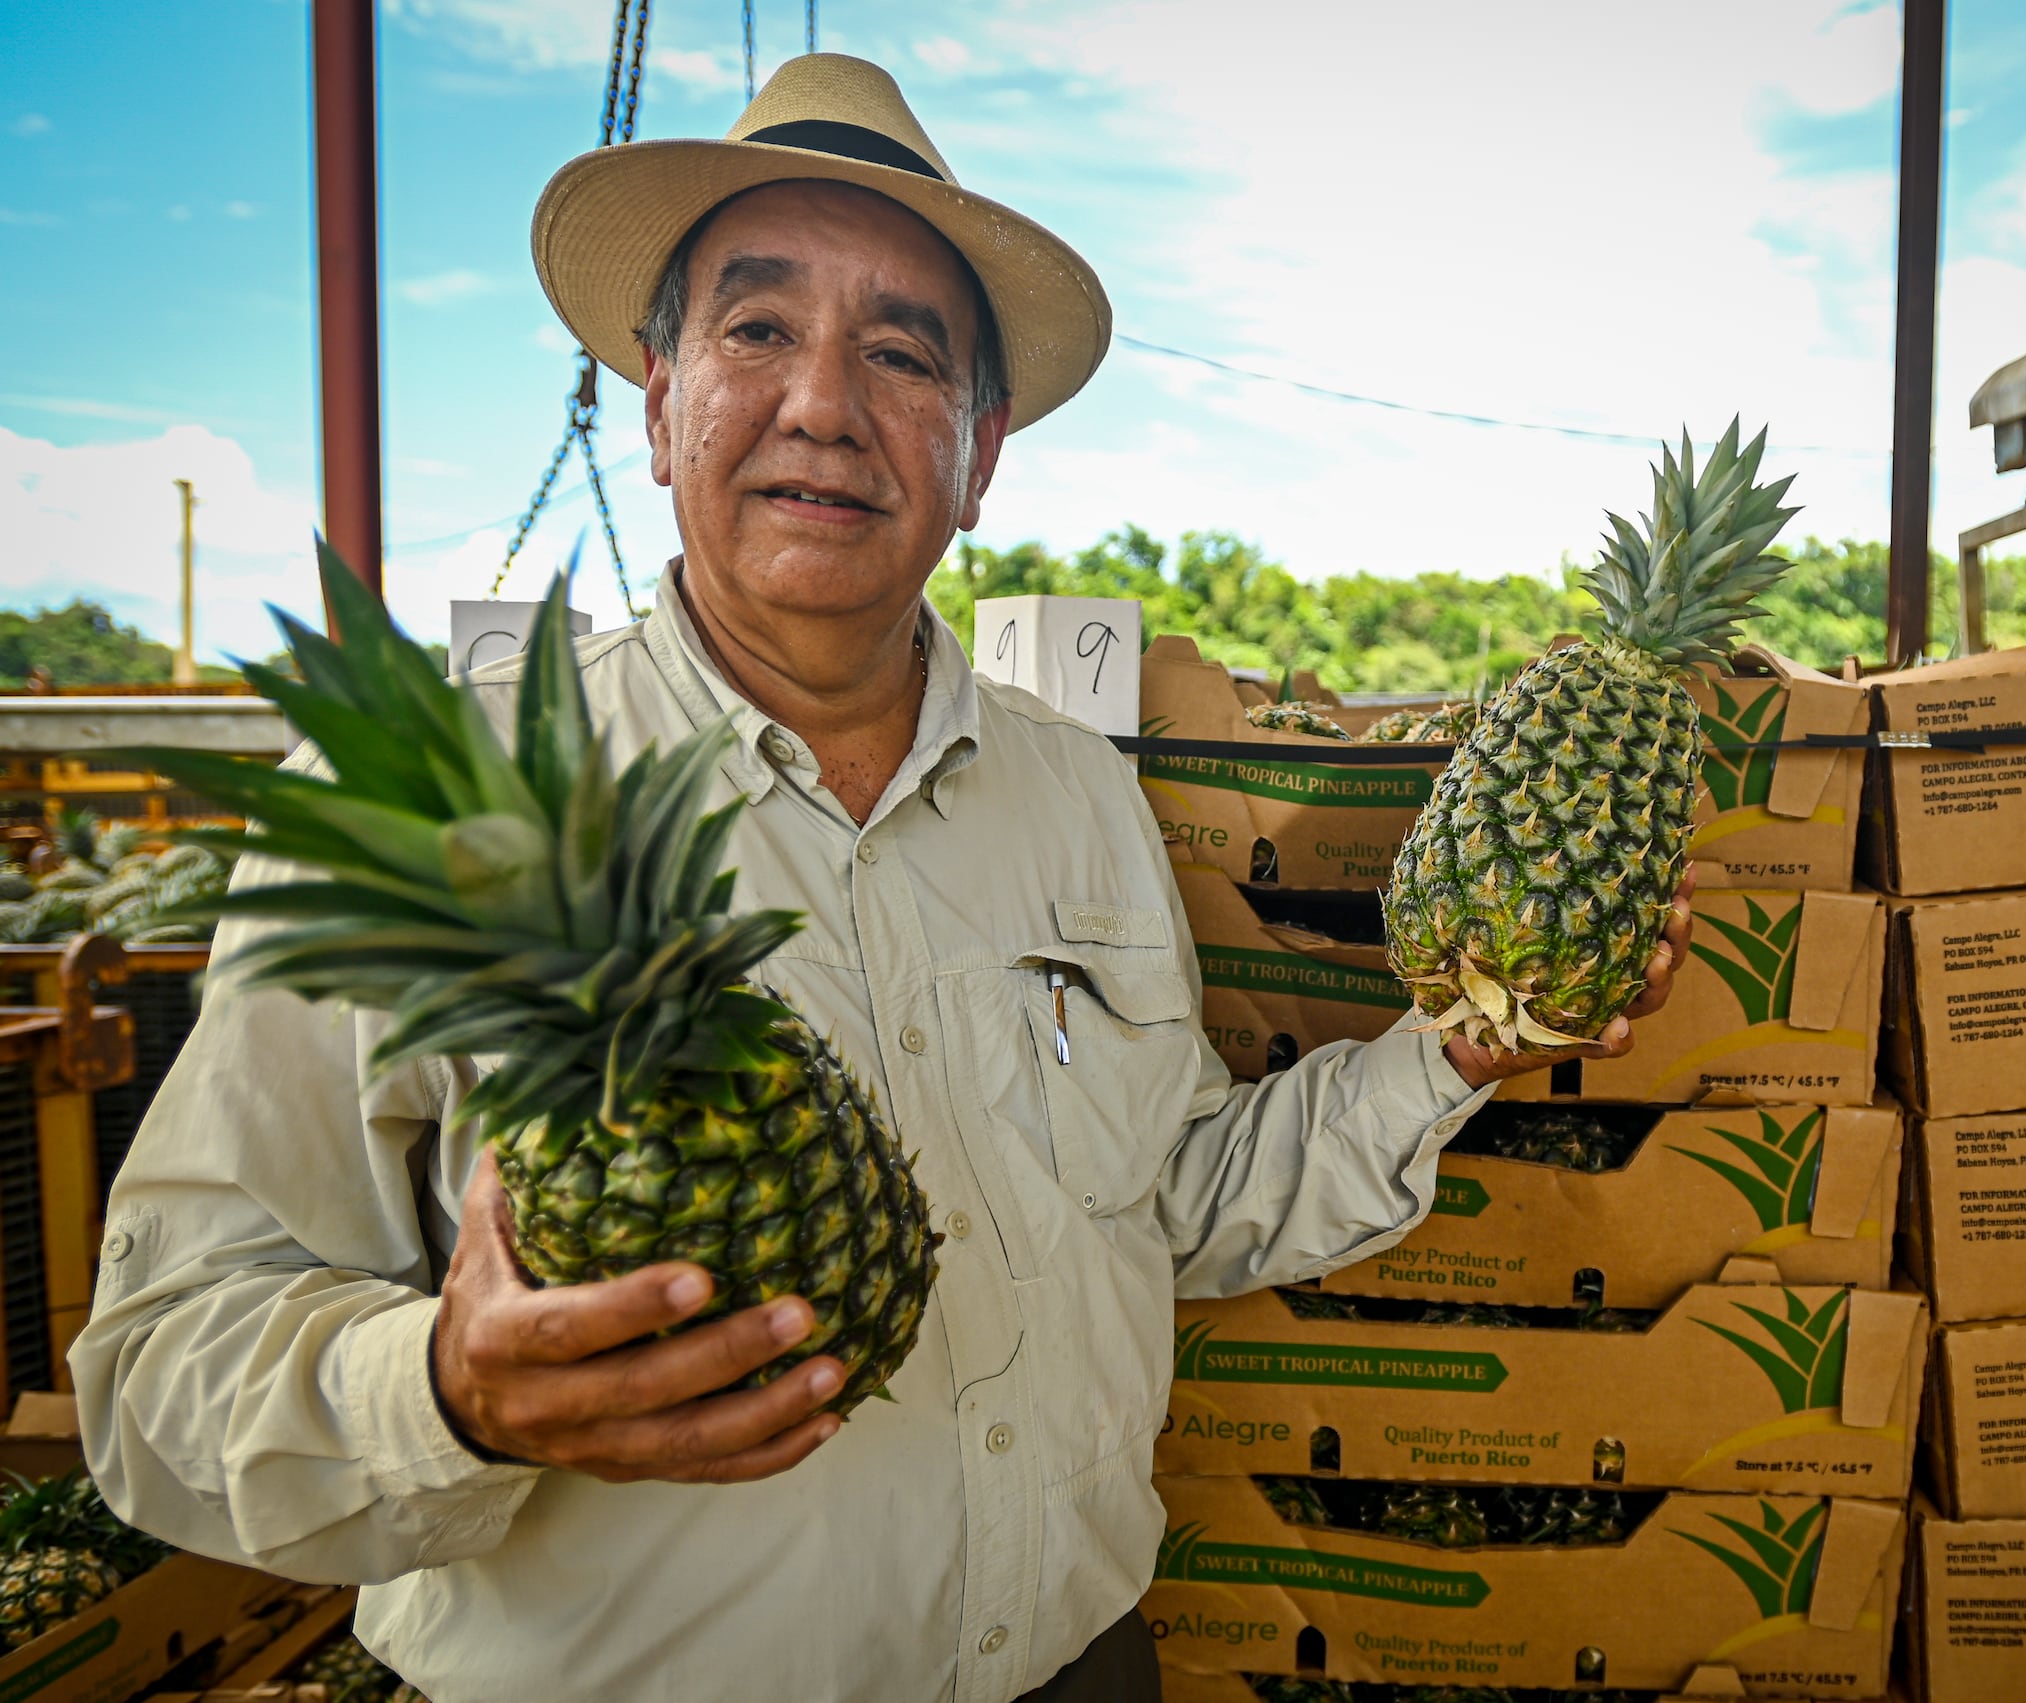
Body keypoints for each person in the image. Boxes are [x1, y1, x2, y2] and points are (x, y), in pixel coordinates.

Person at [72, 54, 1696, 1703]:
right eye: (757, 330)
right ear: (657, 400)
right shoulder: (432, 814)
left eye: (903, 353)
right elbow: (153, 1376)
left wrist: (1457, 1053)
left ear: (980, 452)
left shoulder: (1078, 798)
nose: (825, 405)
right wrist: (446, 1394)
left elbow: (1170, 1201)